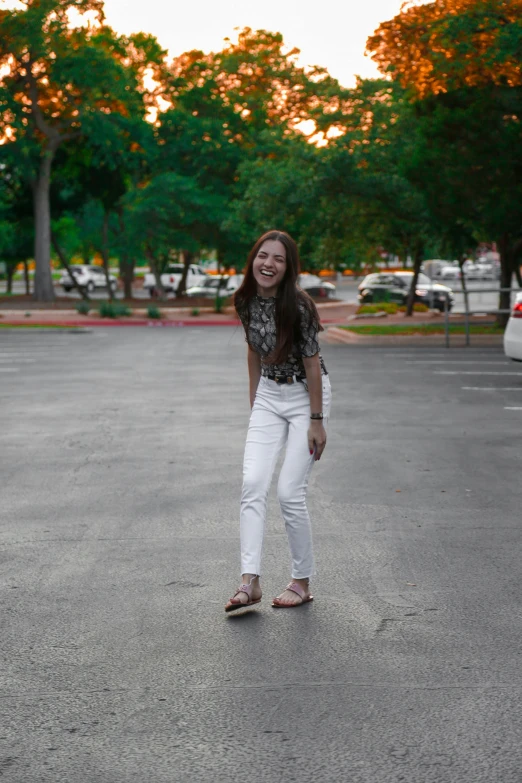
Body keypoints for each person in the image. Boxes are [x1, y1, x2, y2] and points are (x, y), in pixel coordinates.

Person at [225, 230, 331, 613]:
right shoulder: (245, 301)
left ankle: (301, 582)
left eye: (278, 259)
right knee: (252, 483)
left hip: (306, 396)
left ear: (289, 269)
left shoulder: (300, 307)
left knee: (289, 492)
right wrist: (256, 402)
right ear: (253, 259)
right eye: (262, 256)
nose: (268, 264)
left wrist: (316, 421)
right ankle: (248, 580)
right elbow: (254, 350)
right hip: (269, 394)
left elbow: (312, 365)